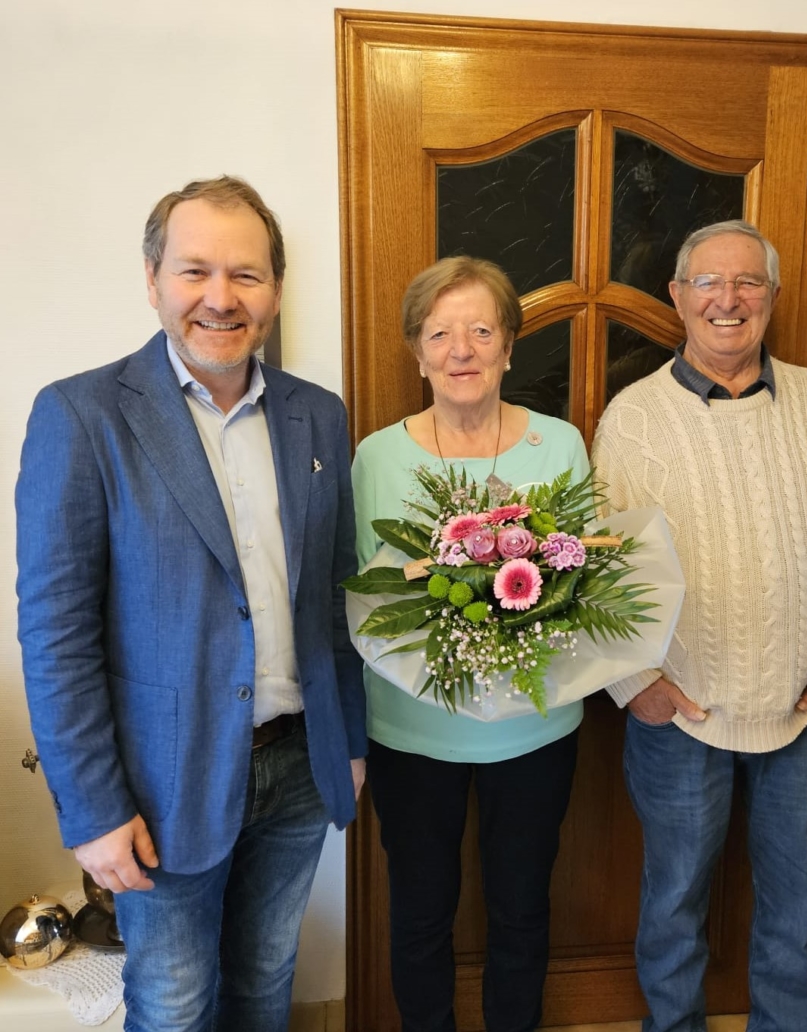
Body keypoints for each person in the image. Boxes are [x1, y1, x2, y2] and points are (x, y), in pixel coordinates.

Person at [15, 176, 366, 1032]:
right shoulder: (82, 414)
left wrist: (346, 741)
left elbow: (333, 590)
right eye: (194, 271)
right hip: (161, 783)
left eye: (245, 275)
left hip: (297, 772)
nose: (220, 298)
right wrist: (93, 810)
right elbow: (56, 631)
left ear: (275, 292)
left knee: (263, 986)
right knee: (174, 1009)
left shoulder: (318, 417)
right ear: (152, 279)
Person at [592, 220, 807, 1032]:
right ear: (679, 298)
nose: (730, 299)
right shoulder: (635, 415)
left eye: (749, 282)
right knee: (675, 896)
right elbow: (598, 558)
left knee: (797, 902)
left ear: (774, 297)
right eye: (709, 283)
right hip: (679, 711)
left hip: (805, 707)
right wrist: (634, 683)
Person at [352, 256, 589, 1032]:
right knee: (421, 914)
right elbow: (360, 594)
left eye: (481, 330)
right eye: (440, 333)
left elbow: (586, 580)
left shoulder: (557, 445)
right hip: (410, 733)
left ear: (510, 348)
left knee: (522, 908)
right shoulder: (377, 457)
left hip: (534, 727)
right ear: (417, 352)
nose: (462, 349)